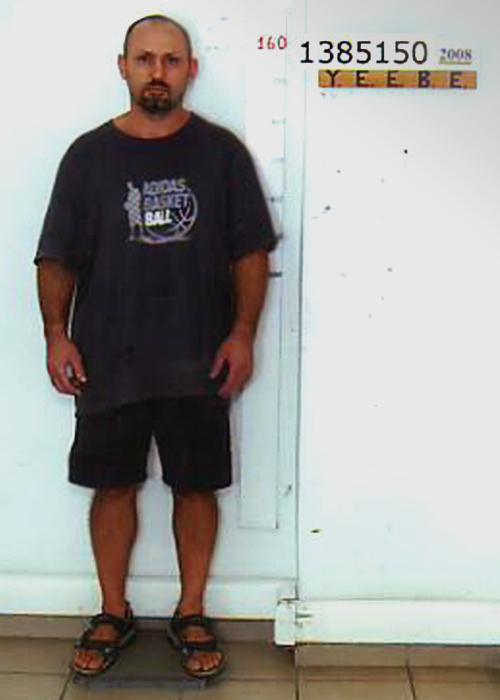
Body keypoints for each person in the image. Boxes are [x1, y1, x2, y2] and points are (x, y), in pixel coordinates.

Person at [34, 13, 277, 681]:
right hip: (109, 357)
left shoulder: (221, 153)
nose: (158, 72)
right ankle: (112, 611)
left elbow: (250, 252)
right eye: (145, 59)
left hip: (200, 359)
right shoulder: (88, 157)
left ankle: (191, 610)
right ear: (124, 67)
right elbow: (56, 257)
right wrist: (57, 335)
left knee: (195, 488)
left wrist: (243, 333)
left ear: (191, 69)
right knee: (112, 488)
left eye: (172, 60)